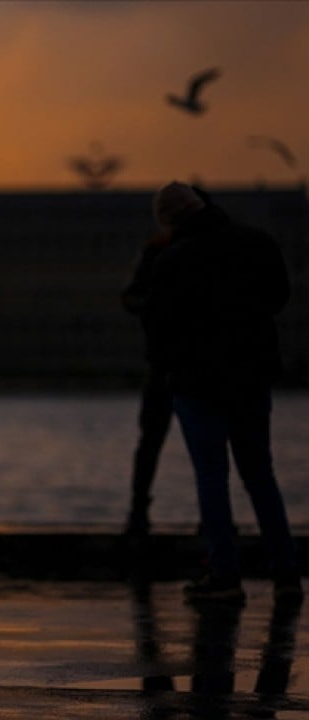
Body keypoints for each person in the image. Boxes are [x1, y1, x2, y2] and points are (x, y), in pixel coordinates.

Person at [144, 181, 301, 604]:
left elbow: (159, 326)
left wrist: (166, 369)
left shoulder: (173, 259)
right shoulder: (256, 243)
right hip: (250, 377)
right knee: (260, 476)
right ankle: (287, 573)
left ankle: (225, 575)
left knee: (212, 478)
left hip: (197, 383)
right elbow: (278, 298)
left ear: (171, 219)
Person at [120, 230, 175, 538]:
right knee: (153, 442)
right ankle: (139, 510)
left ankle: (139, 511)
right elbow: (131, 298)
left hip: (168, 363)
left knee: (151, 443)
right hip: (170, 363)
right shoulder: (155, 251)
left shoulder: (155, 250)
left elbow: (130, 298)